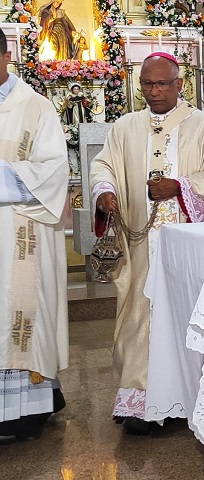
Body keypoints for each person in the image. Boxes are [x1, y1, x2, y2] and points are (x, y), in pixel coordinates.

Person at [90, 52, 204, 435]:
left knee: (187, 318)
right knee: (139, 316)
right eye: (147, 85)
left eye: (161, 84)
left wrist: (181, 186)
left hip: (187, 247)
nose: (153, 92)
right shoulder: (125, 127)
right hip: (141, 245)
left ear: (179, 85)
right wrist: (104, 190)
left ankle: (191, 399)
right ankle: (140, 399)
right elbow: (103, 164)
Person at [0, 27, 68, 443]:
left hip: (21, 233)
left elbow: (53, 171)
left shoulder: (37, 108)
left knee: (22, 315)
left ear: (5, 55)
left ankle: (26, 409)